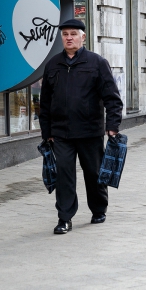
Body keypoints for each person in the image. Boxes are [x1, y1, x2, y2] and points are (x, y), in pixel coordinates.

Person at [39, 19, 123, 235]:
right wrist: (46, 132)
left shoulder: (96, 63)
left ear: (83, 37)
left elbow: (112, 98)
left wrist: (112, 126)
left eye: (73, 34)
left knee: (93, 173)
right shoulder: (52, 65)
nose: (69, 37)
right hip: (61, 133)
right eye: (65, 34)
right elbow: (45, 103)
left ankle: (98, 208)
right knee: (64, 174)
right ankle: (64, 218)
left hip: (90, 131)